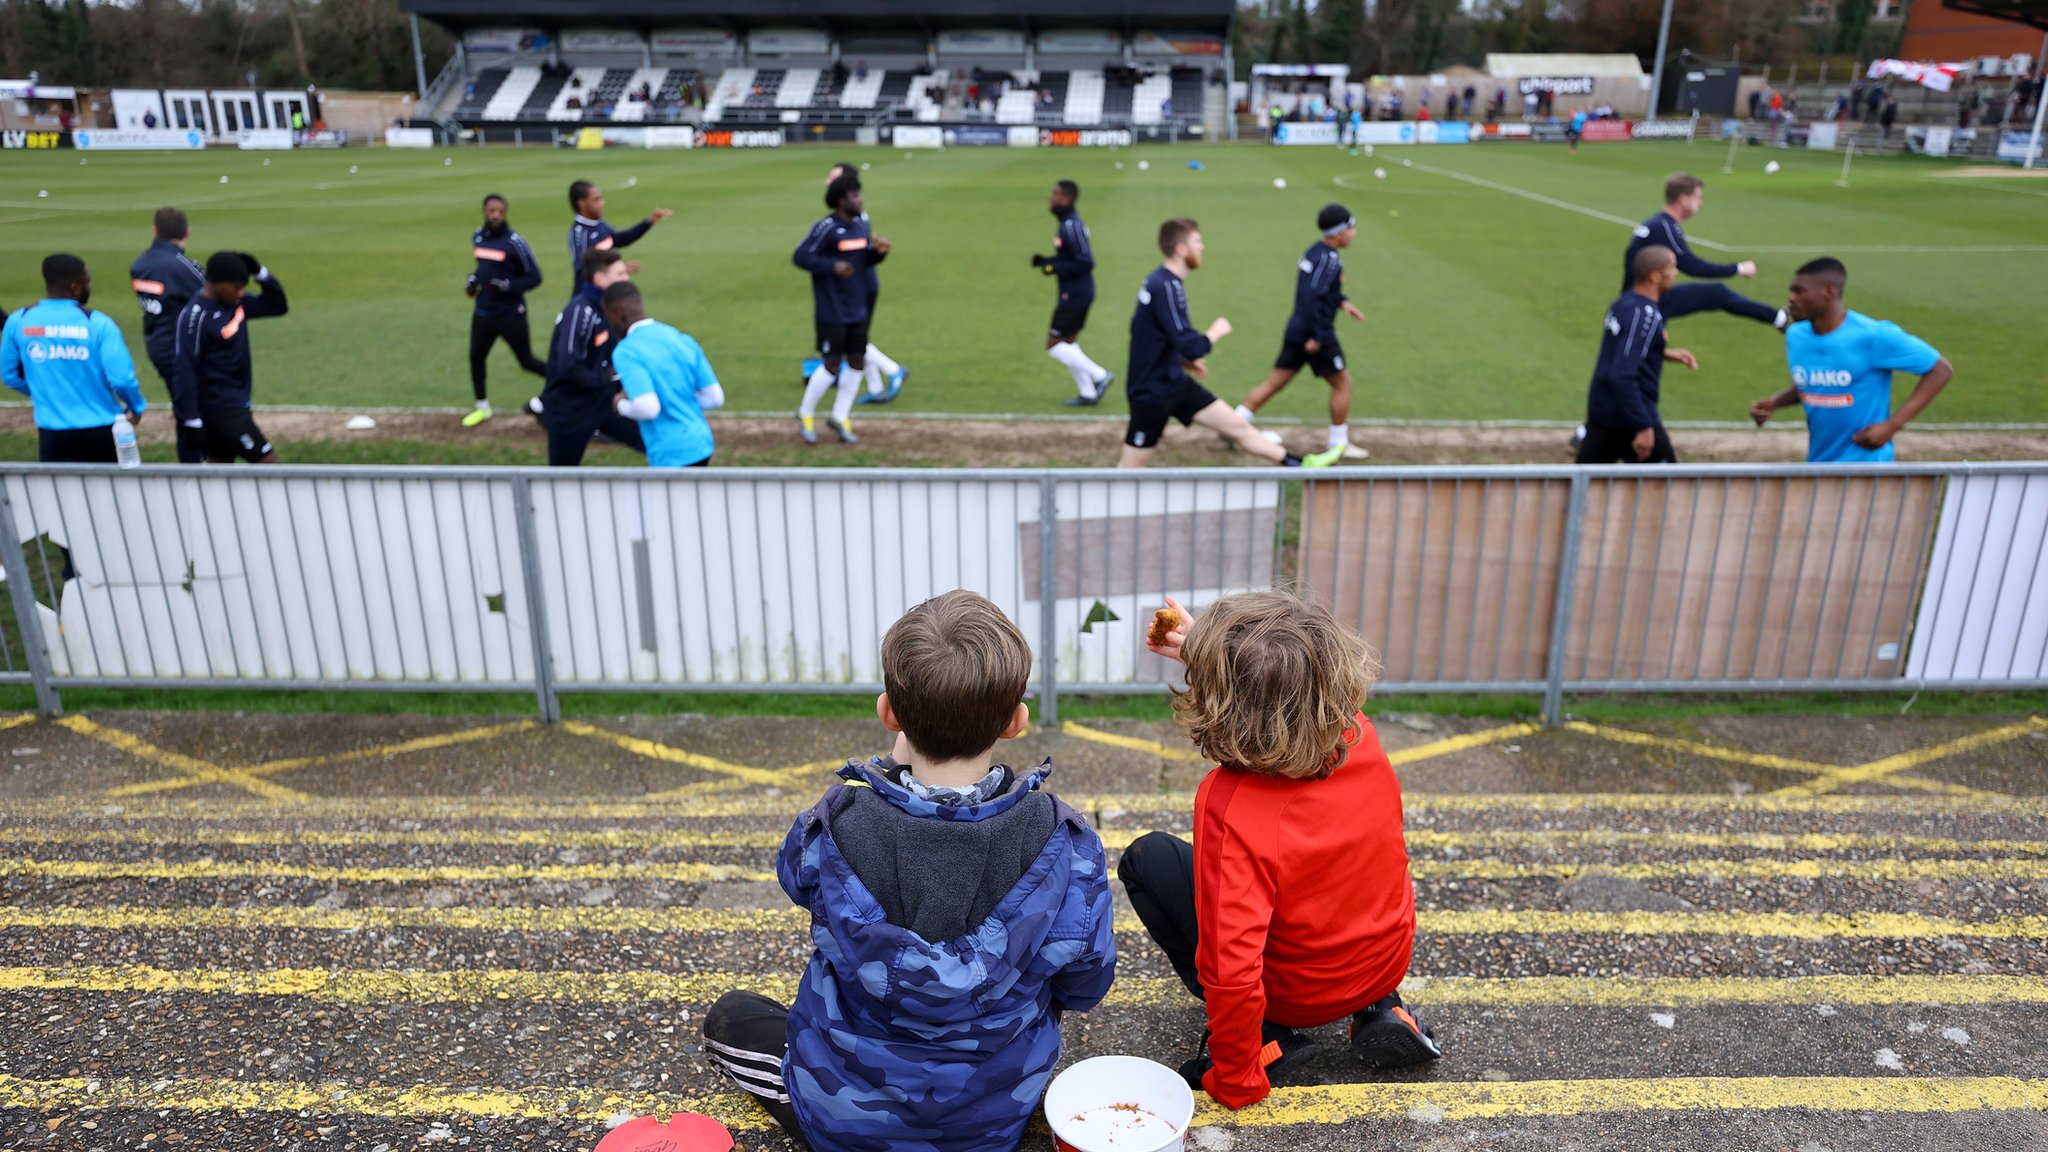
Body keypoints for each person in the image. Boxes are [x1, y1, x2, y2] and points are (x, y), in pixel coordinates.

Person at [702, 590, 1116, 1152]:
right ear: (1016, 721)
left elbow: (793, 875)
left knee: (733, 1015)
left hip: (845, 1121)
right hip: (991, 1122)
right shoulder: (1064, 839)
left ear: (888, 714)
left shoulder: (836, 822)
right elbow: (1087, 982)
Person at [1121, 589, 1439, 1113]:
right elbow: (1292, 683)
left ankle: (1272, 1035)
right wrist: (1211, 650)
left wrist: (1237, 1074)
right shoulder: (1362, 736)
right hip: (1383, 962)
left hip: (1296, 994)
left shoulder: (1231, 803)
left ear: (1224, 704)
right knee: (1335, 869)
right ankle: (1382, 1008)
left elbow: (1232, 963)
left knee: (1147, 858)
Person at [1121, 218, 1343, 469]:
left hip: (1174, 382)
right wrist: (1215, 332)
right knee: (1130, 469)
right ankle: (1111, 505)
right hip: (1152, 393)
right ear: (1181, 249)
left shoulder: (1163, 282)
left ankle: (1302, 465)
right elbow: (1191, 344)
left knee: (1238, 428)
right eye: (1197, 241)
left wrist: (1184, 361)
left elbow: (1152, 335)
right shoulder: (1166, 286)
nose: (1202, 247)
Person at [1749, 257, 1951, 463]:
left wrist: (1892, 426)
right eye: (1791, 291)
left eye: (1799, 291)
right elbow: (1814, 382)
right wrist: (1775, 402)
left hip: (1867, 467)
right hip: (1818, 463)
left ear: (1830, 292)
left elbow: (1940, 369)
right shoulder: (1796, 336)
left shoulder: (1874, 335)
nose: (1791, 298)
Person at [1233, 205, 1370, 460]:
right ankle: (1338, 444)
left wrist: (1343, 302)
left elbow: (1321, 290)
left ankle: (1234, 425)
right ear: (1338, 231)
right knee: (1343, 383)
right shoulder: (1328, 259)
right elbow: (1311, 297)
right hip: (1316, 333)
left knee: (1274, 383)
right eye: (1350, 228)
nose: (1354, 233)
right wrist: (1317, 336)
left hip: (1297, 328)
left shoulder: (1315, 252)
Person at [1, 254, 147, 463]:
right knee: (110, 493)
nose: (90, 285)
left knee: (59, 494)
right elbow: (122, 379)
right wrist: (136, 407)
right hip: (102, 429)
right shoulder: (98, 324)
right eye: (87, 281)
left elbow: (10, 376)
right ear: (75, 287)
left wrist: (47, 393)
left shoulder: (19, 321)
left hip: (52, 432)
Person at [800, 160, 908, 405]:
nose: (827, 181)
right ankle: (876, 384)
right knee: (856, 342)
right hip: (853, 284)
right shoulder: (847, 217)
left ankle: (892, 370)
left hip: (859, 284)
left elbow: (861, 256)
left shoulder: (855, 218)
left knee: (855, 339)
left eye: (833, 178)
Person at [1577, 246, 1697, 465]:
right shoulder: (1647, 316)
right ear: (1654, 276)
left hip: (1602, 410)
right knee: (1665, 488)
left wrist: (1661, 352)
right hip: (1630, 415)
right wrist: (1642, 426)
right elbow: (1621, 374)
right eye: (1671, 267)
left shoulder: (1622, 304)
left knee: (1583, 488)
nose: (1676, 272)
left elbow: (1621, 350)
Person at [793, 174, 887, 445]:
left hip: (858, 307)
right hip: (832, 309)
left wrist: (878, 254)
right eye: (855, 196)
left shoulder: (860, 225)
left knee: (858, 360)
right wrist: (831, 266)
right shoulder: (825, 228)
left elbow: (862, 260)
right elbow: (800, 256)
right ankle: (805, 414)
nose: (860, 199)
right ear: (840, 201)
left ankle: (840, 416)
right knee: (832, 364)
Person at [1626, 174, 1787, 331]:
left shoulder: (1659, 223)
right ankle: (1780, 319)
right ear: (1683, 199)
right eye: (1697, 197)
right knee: (1717, 292)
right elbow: (1691, 266)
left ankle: (1778, 318)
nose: (1700, 203)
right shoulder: (1664, 227)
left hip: (1640, 296)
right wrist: (1738, 269)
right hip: (1645, 300)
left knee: (1650, 350)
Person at [171, 251, 287, 464]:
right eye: (237, 286)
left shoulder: (235, 303)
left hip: (235, 403)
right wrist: (190, 419)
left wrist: (260, 274)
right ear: (219, 283)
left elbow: (278, 306)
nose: (242, 292)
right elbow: (184, 368)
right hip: (221, 410)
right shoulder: (196, 316)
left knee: (219, 466)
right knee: (270, 466)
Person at [540, 250, 644, 467]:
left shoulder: (608, 308)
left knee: (651, 442)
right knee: (561, 475)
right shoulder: (579, 312)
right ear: (600, 279)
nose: (626, 279)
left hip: (602, 402)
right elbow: (568, 366)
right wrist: (607, 378)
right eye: (620, 274)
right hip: (571, 411)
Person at [601, 281, 722, 468]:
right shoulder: (679, 338)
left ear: (619, 313)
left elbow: (648, 408)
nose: (610, 325)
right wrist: (677, 401)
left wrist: (620, 405)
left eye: (608, 317)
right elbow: (714, 398)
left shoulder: (626, 351)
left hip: (670, 451)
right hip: (701, 443)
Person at [129, 206, 207, 462]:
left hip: (157, 344)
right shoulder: (182, 267)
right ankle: (194, 465)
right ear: (188, 232)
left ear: (154, 230)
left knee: (185, 406)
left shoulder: (140, 264)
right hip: (180, 350)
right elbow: (210, 292)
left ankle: (195, 461)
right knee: (192, 412)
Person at [462, 193, 546, 428]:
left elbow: (535, 277)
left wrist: (509, 286)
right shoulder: (477, 237)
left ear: (505, 212)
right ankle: (482, 407)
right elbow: (483, 268)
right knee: (476, 357)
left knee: (526, 361)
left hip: (510, 314)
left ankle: (564, 388)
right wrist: (473, 279)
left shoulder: (515, 242)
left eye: (500, 211)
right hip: (483, 312)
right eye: (492, 211)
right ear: (484, 212)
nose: (496, 215)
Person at [1033, 180, 1113, 406]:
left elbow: (1086, 262)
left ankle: (1100, 375)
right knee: (1068, 343)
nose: (1051, 198)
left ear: (1067, 198)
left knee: (1054, 345)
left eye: (1055, 194)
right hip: (1076, 291)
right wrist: (1048, 262)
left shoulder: (1071, 226)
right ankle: (1087, 393)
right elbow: (1071, 258)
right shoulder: (1067, 224)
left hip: (1075, 294)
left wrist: (1055, 267)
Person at [567, 180, 672, 290]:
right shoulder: (580, 234)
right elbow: (583, 270)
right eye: (596, 200)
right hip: (590, 297)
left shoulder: (599, 224)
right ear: (582, 203)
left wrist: (648, 222)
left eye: (600, 198)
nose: (602, 204)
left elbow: (621, 239)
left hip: (607, 292)